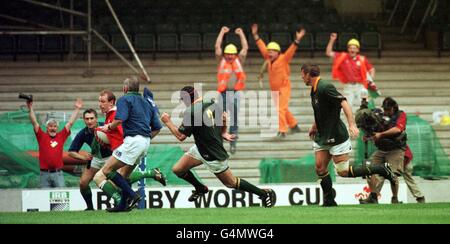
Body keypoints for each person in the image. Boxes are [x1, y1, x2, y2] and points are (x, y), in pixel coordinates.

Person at [160, 86, 276, 207]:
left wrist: (167, 121)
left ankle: (264, 193)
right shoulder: (211, 103)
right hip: (200, 148)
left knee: (231, 183)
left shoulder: (191, 112)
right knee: (178, 169)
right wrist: (224, 132)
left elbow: (181, 136)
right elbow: (224, 118)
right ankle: (200, 188)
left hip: (212, 152)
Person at [300, 64, 396, 207]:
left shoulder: (325, 87)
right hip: (322, 135)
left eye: (302, 74)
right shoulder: (314, 90)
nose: (301, 77)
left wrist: (352, 124)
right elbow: (321, 111)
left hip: (336, 136)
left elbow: (343, 102)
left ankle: (381, 169)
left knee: (343, 172)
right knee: (320, 167)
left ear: (308, 74)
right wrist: (314, 126)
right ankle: (329, 201)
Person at [93, 77, 162, 212]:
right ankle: (123, 206)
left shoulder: (124, 99)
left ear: (125, 88)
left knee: (107, 170)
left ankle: (132, 195)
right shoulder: (147, 102)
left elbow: (119, 120)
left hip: (133, 140)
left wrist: (108, 128)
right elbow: (157, 128)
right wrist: (144, 139)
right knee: (124, 175)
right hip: (145, 142)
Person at [359, 97, 420, 204]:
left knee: (392, 174)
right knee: (368, 169)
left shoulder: (401, 115)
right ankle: (373, 197)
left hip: (396, 149)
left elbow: (397, 129)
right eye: (385, 109)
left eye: (388, 109)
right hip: (382, 149)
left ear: (394, 108)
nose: (386, 112)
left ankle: (395, 198)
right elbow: (375, 130)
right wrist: (368, 136)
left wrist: (381, 135)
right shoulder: (380, 116)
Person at [252, 23, 303, 139]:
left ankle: (282, 130)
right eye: (269, 51)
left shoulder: (283, 59)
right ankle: (294, 125)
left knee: (280, 109)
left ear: (277, 52)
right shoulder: (269, 58)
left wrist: (297, 40)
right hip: (274, 89)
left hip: (284, 87)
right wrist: (255, 36)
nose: (269, 53)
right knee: (283, 109)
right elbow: (262, 47)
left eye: (272, 51)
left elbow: (291, 50)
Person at [27, 98, 83, 188]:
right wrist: (30, 108)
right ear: (46, 127)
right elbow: (34, 122)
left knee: (61, 198)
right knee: (44, 197)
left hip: (58, 174)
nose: (53, 128)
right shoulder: (41, 136)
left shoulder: (61, 136)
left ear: (57, 127)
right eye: (50, 126)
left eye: (55, 126)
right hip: (44, 174)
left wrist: (77, 109)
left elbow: (70, 123)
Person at [215, 26, 248, 154]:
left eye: (232, 54)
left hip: (235, 93)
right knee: (221, 119)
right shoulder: (221, 61)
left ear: (235, 54)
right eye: (227, 54)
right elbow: (217, 48)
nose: (229, 56)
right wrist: (222, 32)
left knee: (234, 119)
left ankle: (233, 143)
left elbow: (245, 48)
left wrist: (241, 34)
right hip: (222, 93)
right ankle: (220, 142)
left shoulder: (239, 61)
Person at [326, 33, 376, 110]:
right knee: (347, 108)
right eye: (350, 48)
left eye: (354, 48)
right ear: (348, 49)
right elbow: (328, 53)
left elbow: (372, 69)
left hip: (360, 86)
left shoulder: (362, 59)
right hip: (348, 87)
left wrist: (370, 80)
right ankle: (349, 122)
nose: (352, 50)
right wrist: (332, 40)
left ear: (358, 49)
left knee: (365, 107)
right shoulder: (342, 57)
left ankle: (364, 122)